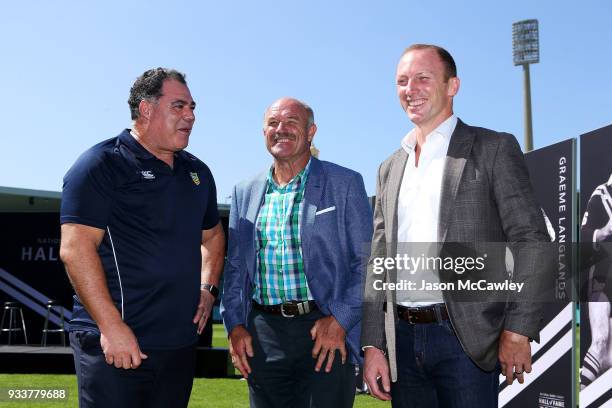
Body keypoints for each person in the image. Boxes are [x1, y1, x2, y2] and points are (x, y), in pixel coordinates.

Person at [361, 44, 551, 407]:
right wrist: (373, 344)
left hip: (466, 340)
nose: (410, 89)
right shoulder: (390, 167)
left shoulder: (493, 148)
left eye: (422, 78)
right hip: (401, 341)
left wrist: (518, 327)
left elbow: (531, 241)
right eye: (402, 81)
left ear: (452, 86)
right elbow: (378, 261)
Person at [59, 68, 225, 408]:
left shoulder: (199, 173)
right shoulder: (100, 164)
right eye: (179, 106)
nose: (190, 115)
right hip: (116, 342)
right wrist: (111, 327)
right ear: (146, 109)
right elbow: (75, 250)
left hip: (178, 344)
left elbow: (213, 236)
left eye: (192, 107)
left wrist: (208, 289)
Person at [221, 97, 372, 408]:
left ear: (311, 131)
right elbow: (236, 268)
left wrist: (340, 321)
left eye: (292, 122)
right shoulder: (244, 191)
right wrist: (235, 326)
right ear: (263, 132)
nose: (281, 129)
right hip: (264, 333)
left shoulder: (344, 183)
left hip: (325, 329)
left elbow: (368, 263)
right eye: (273, 123)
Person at [580, 173, 612, 388]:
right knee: (600, 340)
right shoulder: (601, 195)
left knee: (609, 358)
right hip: (603, 273)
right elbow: (581, 235)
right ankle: (579, 393)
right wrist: (605, 231)